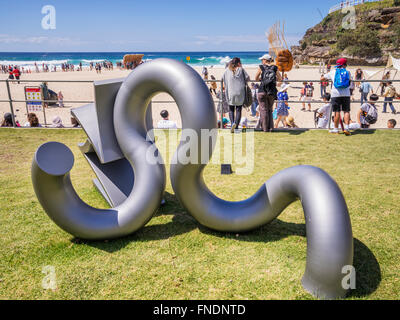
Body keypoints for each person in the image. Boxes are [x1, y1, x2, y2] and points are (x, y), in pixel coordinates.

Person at [321, 58, 352, 135]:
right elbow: (350, 81)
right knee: (346, 111)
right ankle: (347, 128)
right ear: (345, 65)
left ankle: (335, 129)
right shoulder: (348, 72)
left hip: (335, 94)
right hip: (346, 94)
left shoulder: (333, 72)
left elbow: (322, 79)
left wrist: (329, 80)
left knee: (336, 111)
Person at [222, 57, 250, 133]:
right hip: (240, 92)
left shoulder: (227, 70)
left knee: (231, 109)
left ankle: (232, 124)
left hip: (230, 92)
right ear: (238, 63)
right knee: (238, 109)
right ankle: (236, 127)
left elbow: (223, 79)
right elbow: (248, 78)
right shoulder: (241, 70)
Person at [255, 54, 281, 132]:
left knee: (263, 110)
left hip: (262, 90)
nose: (261, 61)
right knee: (269, 109)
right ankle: (271, 128)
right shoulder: (275, 68)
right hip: (272, 91)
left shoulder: (261, 67)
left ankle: (265, 128)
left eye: (262, 60)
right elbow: (280, 79)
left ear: (265, 60)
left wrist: (261, 79)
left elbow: (256, 78)